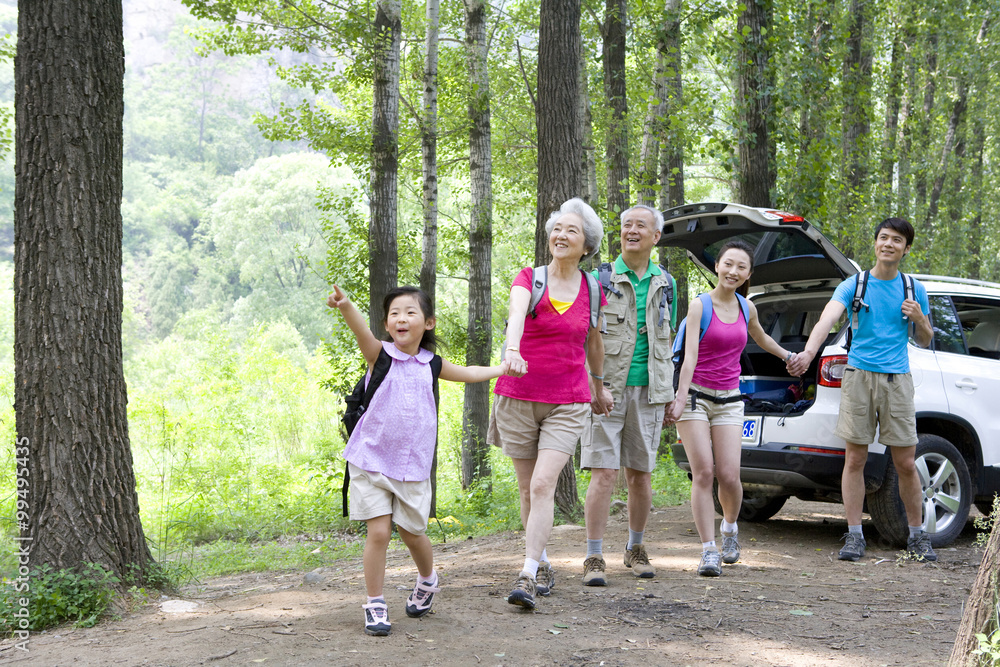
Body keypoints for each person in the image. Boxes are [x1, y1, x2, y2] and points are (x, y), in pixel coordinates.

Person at [327, 285, 518, 636]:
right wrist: (346, 305)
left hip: (412, 465)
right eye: (394, 313)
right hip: (370, 459)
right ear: (386, 323)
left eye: (410, 312)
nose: (402, 318)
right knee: (380, 531)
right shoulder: (379, 355)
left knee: (413, 533)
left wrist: (502, 369)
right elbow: (359, 330)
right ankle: (375, 603)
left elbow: (470, 372)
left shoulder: (432, 364)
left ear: (428, 323)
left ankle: (428, 580)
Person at [787, 217, 935, 562]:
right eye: (883, 238)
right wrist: (809, 353)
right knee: (854, 459)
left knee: (906, 463)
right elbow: (827, 319)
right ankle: (854, 536)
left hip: (897, 380)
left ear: (906, 248)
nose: (888, 244)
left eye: (896, 240)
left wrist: (919, 318)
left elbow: (926, 339)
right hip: (858, 376)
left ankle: (917, 536)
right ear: (875, 243)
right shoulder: (855, 285)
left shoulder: (914, 289)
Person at [490, 198, 606, 611]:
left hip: (568, 399)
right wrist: (512, 349)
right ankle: (541, 559)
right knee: (527, 488)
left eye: (571, 231)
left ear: (586, 245)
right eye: (557, 228)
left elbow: (593, 341)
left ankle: (526, 573)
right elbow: (516, 313)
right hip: (518, 395)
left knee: (543, 485)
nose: (561, 235)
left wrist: (600, 385)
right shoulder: (530, 278)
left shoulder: (593, 289)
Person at [666, 240, 796, 577]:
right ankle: (708, 550)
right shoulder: (700, 306)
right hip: (694, 395)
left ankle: (730, 530)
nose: (733, 271)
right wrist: (679, 397)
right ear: (718, 267)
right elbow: (689, 355)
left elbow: (762, 338)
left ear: (748, 273)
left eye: (740, 267)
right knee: (704, 473)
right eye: (728, 264)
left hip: (729, 399)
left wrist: (788, 357)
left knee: (729, 476)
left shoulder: (746, 307)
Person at [579, 204, 676, 586]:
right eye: (625, 225)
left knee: (640, 475)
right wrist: (593, 385)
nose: (631, 230)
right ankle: (593, 555)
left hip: (650, 391)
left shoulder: (665, 282)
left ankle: (635, 548)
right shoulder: (598, 280)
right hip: (606, 390)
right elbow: (585, 338)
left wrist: (669, 393)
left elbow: (667, 342)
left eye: (640, 225)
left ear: (656, 237)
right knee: (603, 474)